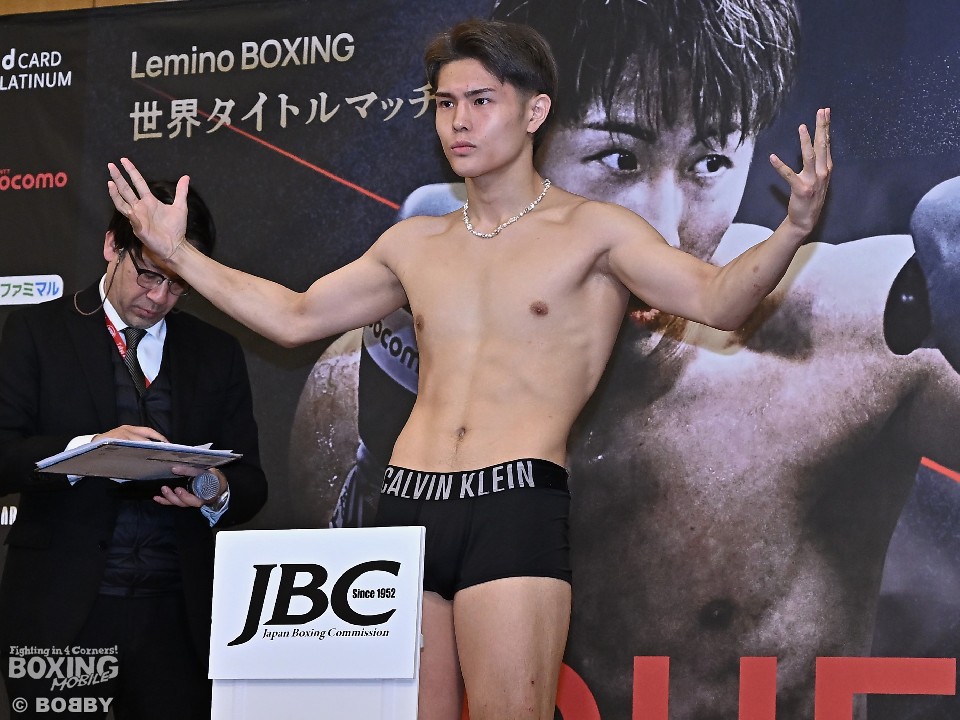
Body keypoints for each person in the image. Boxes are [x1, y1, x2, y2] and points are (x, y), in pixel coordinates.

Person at [106, 17, 830, 719]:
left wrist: (795, 225)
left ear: (535, 111)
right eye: (446, 103)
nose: (458, 121)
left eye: (481, 101)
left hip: (512, 504)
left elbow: (718, 300)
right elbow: (294, 317)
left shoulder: (597, 232)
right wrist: (178, 255)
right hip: (407, 502)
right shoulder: (415, 243)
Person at [287, 2, 960, 719]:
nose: (662, 226)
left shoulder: (859, 333)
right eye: (620, 158)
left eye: (709, 163)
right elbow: (334, 681)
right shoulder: (358, 390)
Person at [0, 182, 268, 720]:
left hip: (178, 620)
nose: (159, 297)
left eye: (177, 283)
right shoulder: (38, 330)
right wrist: (88, 451)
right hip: (63, 612)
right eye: (148, 274)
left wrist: (212, 489)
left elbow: (252, 484)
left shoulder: (215, 352)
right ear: (111, 247)